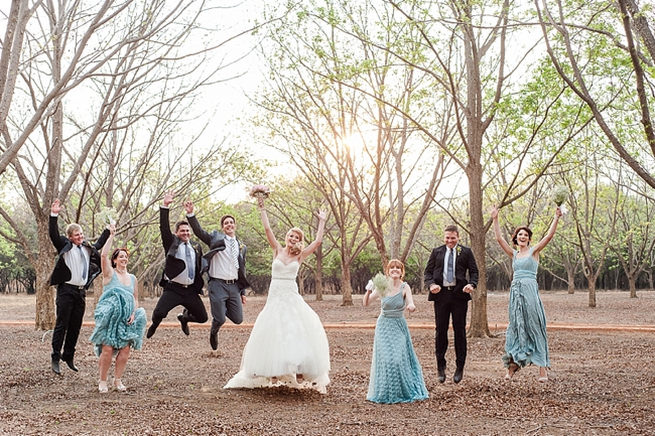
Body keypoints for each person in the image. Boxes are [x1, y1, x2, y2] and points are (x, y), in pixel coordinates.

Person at [224, 194, 330, 393]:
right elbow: (267, 229)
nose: (293, 239)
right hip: (275, 294)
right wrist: (262, 207)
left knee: (293, 328)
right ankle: (271, 371)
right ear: (287, 237)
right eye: (291, 236)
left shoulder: (300, 256)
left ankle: (297, 368)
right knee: (273, 329)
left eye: (297, 237)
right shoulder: (277, 250)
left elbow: (317, 242)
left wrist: (322, 221)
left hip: (290, 294)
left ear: (299, 241)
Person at [491, 205, 562, 382]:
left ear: (529, 239)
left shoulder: (533, 252)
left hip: (530, 292)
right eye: (520, 235)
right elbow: (499, 239)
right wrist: (495, 218)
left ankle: (542, 369)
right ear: (516, 238)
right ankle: (512, 367)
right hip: (516, 293)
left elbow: (549, 236)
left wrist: (556, 217)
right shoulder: (514, 254)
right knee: (516, 327)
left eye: (526, 235)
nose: (523, 237)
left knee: (534, 326)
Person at [48, 199, 110, 375]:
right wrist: (54, 215)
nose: (80, 237)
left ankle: (68, 356)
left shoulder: (86, 248)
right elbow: (53, 234)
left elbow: (98, 245)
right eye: (77, 235)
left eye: (81, 234)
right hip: (66, 291)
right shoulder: (65, 245)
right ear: (70, 237)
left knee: (76, 326)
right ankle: (55, 356)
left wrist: (107, 230)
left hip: (80, 293)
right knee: (62, 324)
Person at [184, 201, 249, 350]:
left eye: (231, 222)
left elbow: (242, 268)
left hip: (234, 286)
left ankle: (221, 305)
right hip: (217, 284)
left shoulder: (242, 246)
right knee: (219, 318)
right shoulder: (216, 239)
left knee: (238, 319)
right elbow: (200, 232)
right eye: (226, 223)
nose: (229, 225)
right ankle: (214, 331)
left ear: (235, 225)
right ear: (223, 227)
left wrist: (242, 291)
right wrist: (190, 214)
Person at [89, 224, 147, 393]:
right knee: (107, 349)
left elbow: (135, 298)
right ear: (115, 260)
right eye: (120, 256)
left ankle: (118, 380)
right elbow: (103, 255)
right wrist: (111, 235)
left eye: (125, 256)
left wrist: (134, 313)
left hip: (126, 319)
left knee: (125, 350)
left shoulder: (133, 278)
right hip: (110, 318)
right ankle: (102, 381)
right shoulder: (109, 274)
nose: (123, 259)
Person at [363, 259, 428, 404]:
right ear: (388, 271)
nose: (395, 270)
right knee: (386, 360)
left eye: (398, 268)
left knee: (398, 359)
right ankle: (386, 391)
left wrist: (411, 306)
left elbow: (411, 302)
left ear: (401, 271)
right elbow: (366, 303)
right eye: (392, 268)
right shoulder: (382, 286)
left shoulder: (405, 287)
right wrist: (368, 290)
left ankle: (402, 390)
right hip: (384, 325)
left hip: (399, 325)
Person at [146, 191, 208, 338]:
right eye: (182, 231)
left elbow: (199, 265)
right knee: (159, 313)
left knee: (203, 318)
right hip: (173, 289)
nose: (185, 233)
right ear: (176, 232)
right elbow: (164, 228)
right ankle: (155, 324)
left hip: (190, 290)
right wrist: (165, 206)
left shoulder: (196, 247)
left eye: (187, 231)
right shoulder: (172, 243)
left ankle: (184, 318)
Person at [424, 225, 478, 384]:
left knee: (459, 332)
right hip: (440, 295)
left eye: (453, 238)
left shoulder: (466, 252)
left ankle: (459, 366)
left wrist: (472, 285)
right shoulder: (437, 252)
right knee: (440, 331)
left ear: (458, 237)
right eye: (447, 237)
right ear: (444, 237)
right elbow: (428, 273)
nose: (450, 240)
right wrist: (431, 285)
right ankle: (440, 367)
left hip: (459, 296)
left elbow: (474, 272)